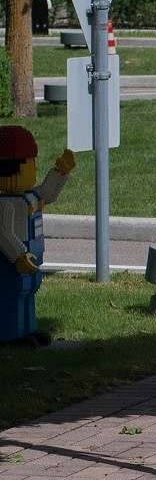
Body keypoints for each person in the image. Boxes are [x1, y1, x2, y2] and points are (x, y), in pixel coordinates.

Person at [0, 127, 74, 347]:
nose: (33, 170)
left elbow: (47, 193)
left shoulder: (29, 197)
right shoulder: (5, 204)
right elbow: (3, 233)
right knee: (11, 293)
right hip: (13, 260)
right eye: (29, 164)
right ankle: (9, 333)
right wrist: (18, 255)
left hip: (32, 254)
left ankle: (27, 329)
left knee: (29, 291)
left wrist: (60, 172)